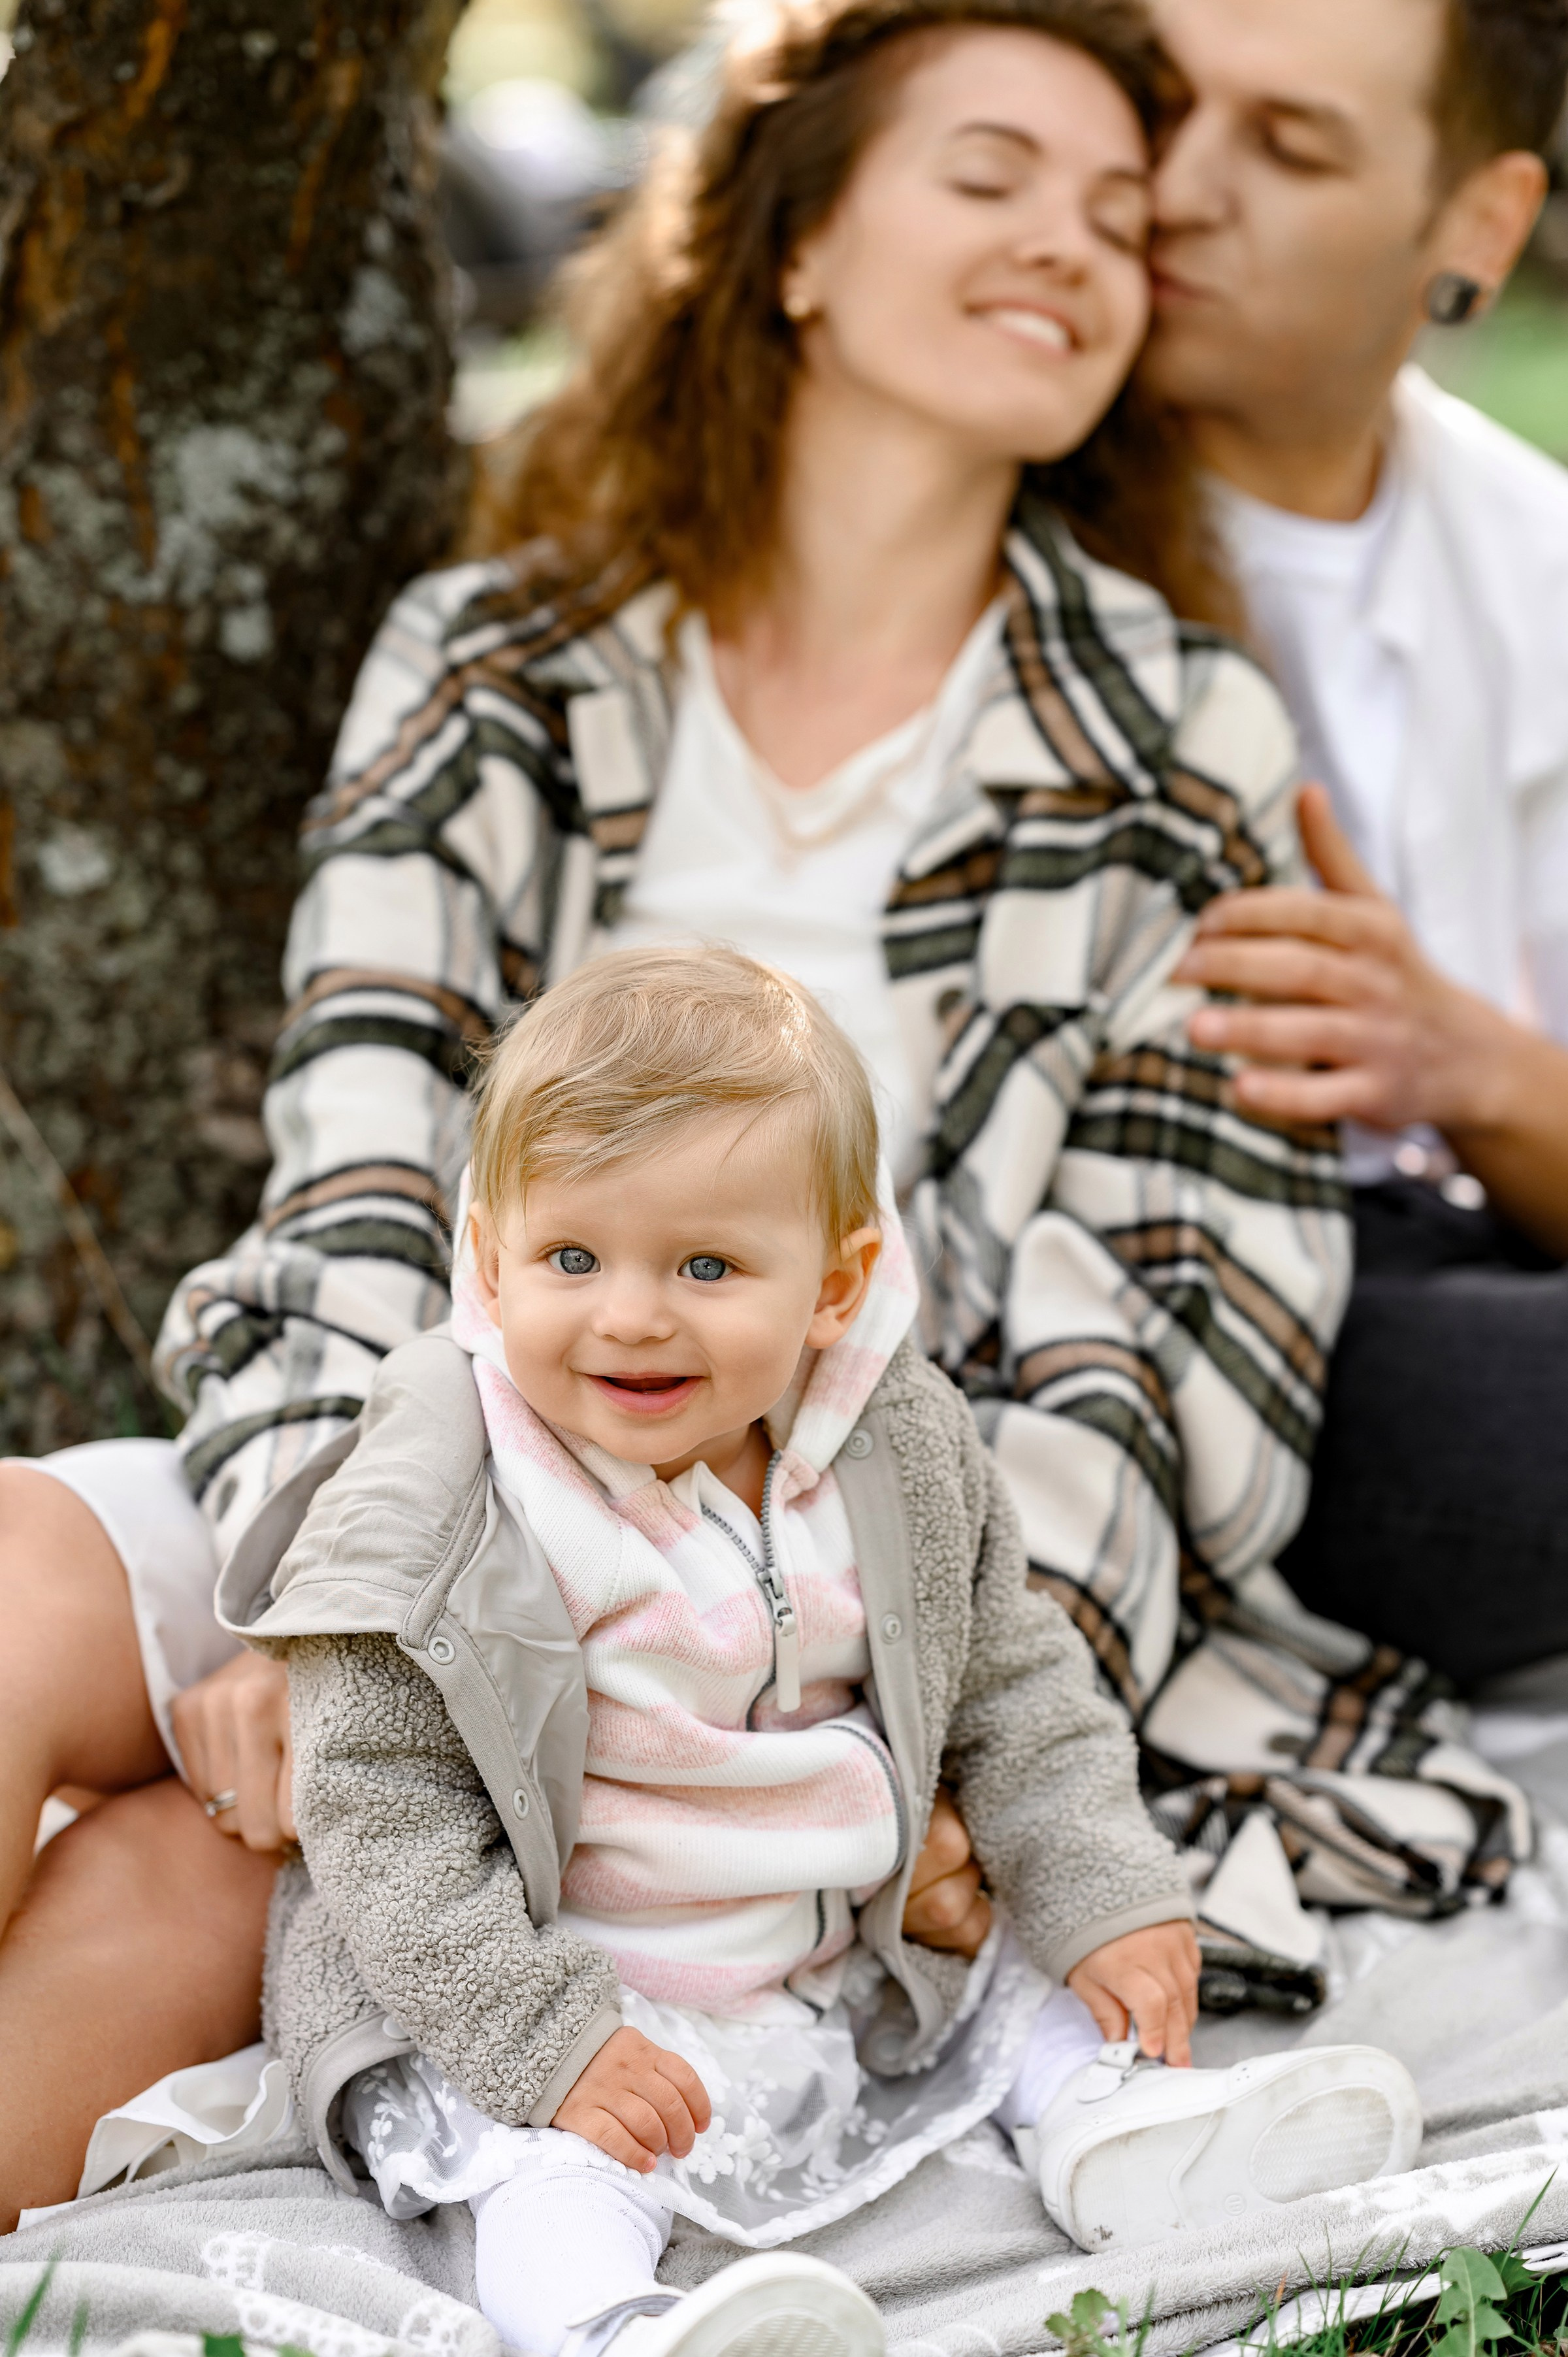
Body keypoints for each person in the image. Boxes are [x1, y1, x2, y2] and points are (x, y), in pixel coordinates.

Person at [0, 0, 1518, 2230]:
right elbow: (349, 1164)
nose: (1074, 248)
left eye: (1116, 217)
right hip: (444, 1468)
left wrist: (928, 1725)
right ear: (795, 238)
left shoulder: (1178, 743)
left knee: (160, 1878)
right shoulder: (501, 665)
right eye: (990, 177)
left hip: (827, 1584)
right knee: (21, 1572)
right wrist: (332, 1614)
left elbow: (1174, 1332)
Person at [223, 944, 1419, 2355]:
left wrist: (1102, 1884)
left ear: (838, 1283)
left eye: (709, 1263)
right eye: (570, 1257)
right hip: (538, 1983)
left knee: (1018, 1989)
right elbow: (381, 1817)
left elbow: (1015, 1679)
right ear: (489, 1258)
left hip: (825, 1952)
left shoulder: (888, 1456)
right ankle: (607, 2321)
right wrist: (543, 2039)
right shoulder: (443, 1497)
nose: (630, 1312)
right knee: (560, 2170)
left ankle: (1128, 2134)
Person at [1141, 0, 1568, 1683]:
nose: (1175, 187)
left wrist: (1459, 1055)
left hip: (1453, 1254)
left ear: (1476, 224)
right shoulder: (999, 496)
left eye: (1289, 143)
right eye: (1164, 105)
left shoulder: (1531, 555)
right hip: (1200, 1323)